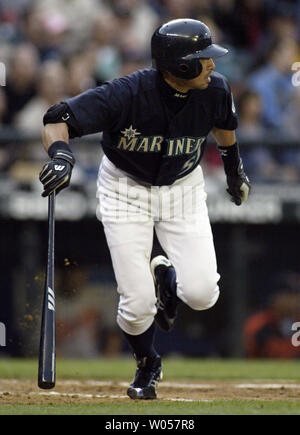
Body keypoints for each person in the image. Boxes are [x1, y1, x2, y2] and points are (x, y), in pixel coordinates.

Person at [39, 18, 250, 400]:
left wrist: (235, 173)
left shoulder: (215, 89)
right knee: (137, 305)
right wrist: (61, 155)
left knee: (203, 293)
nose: (213, 65)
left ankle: (164, 276)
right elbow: (58, 118)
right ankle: (148, 362)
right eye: (203, 59)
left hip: (182, 187)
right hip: (125, 188)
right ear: (180, 65)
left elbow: (225, 127)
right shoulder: (128, 92)